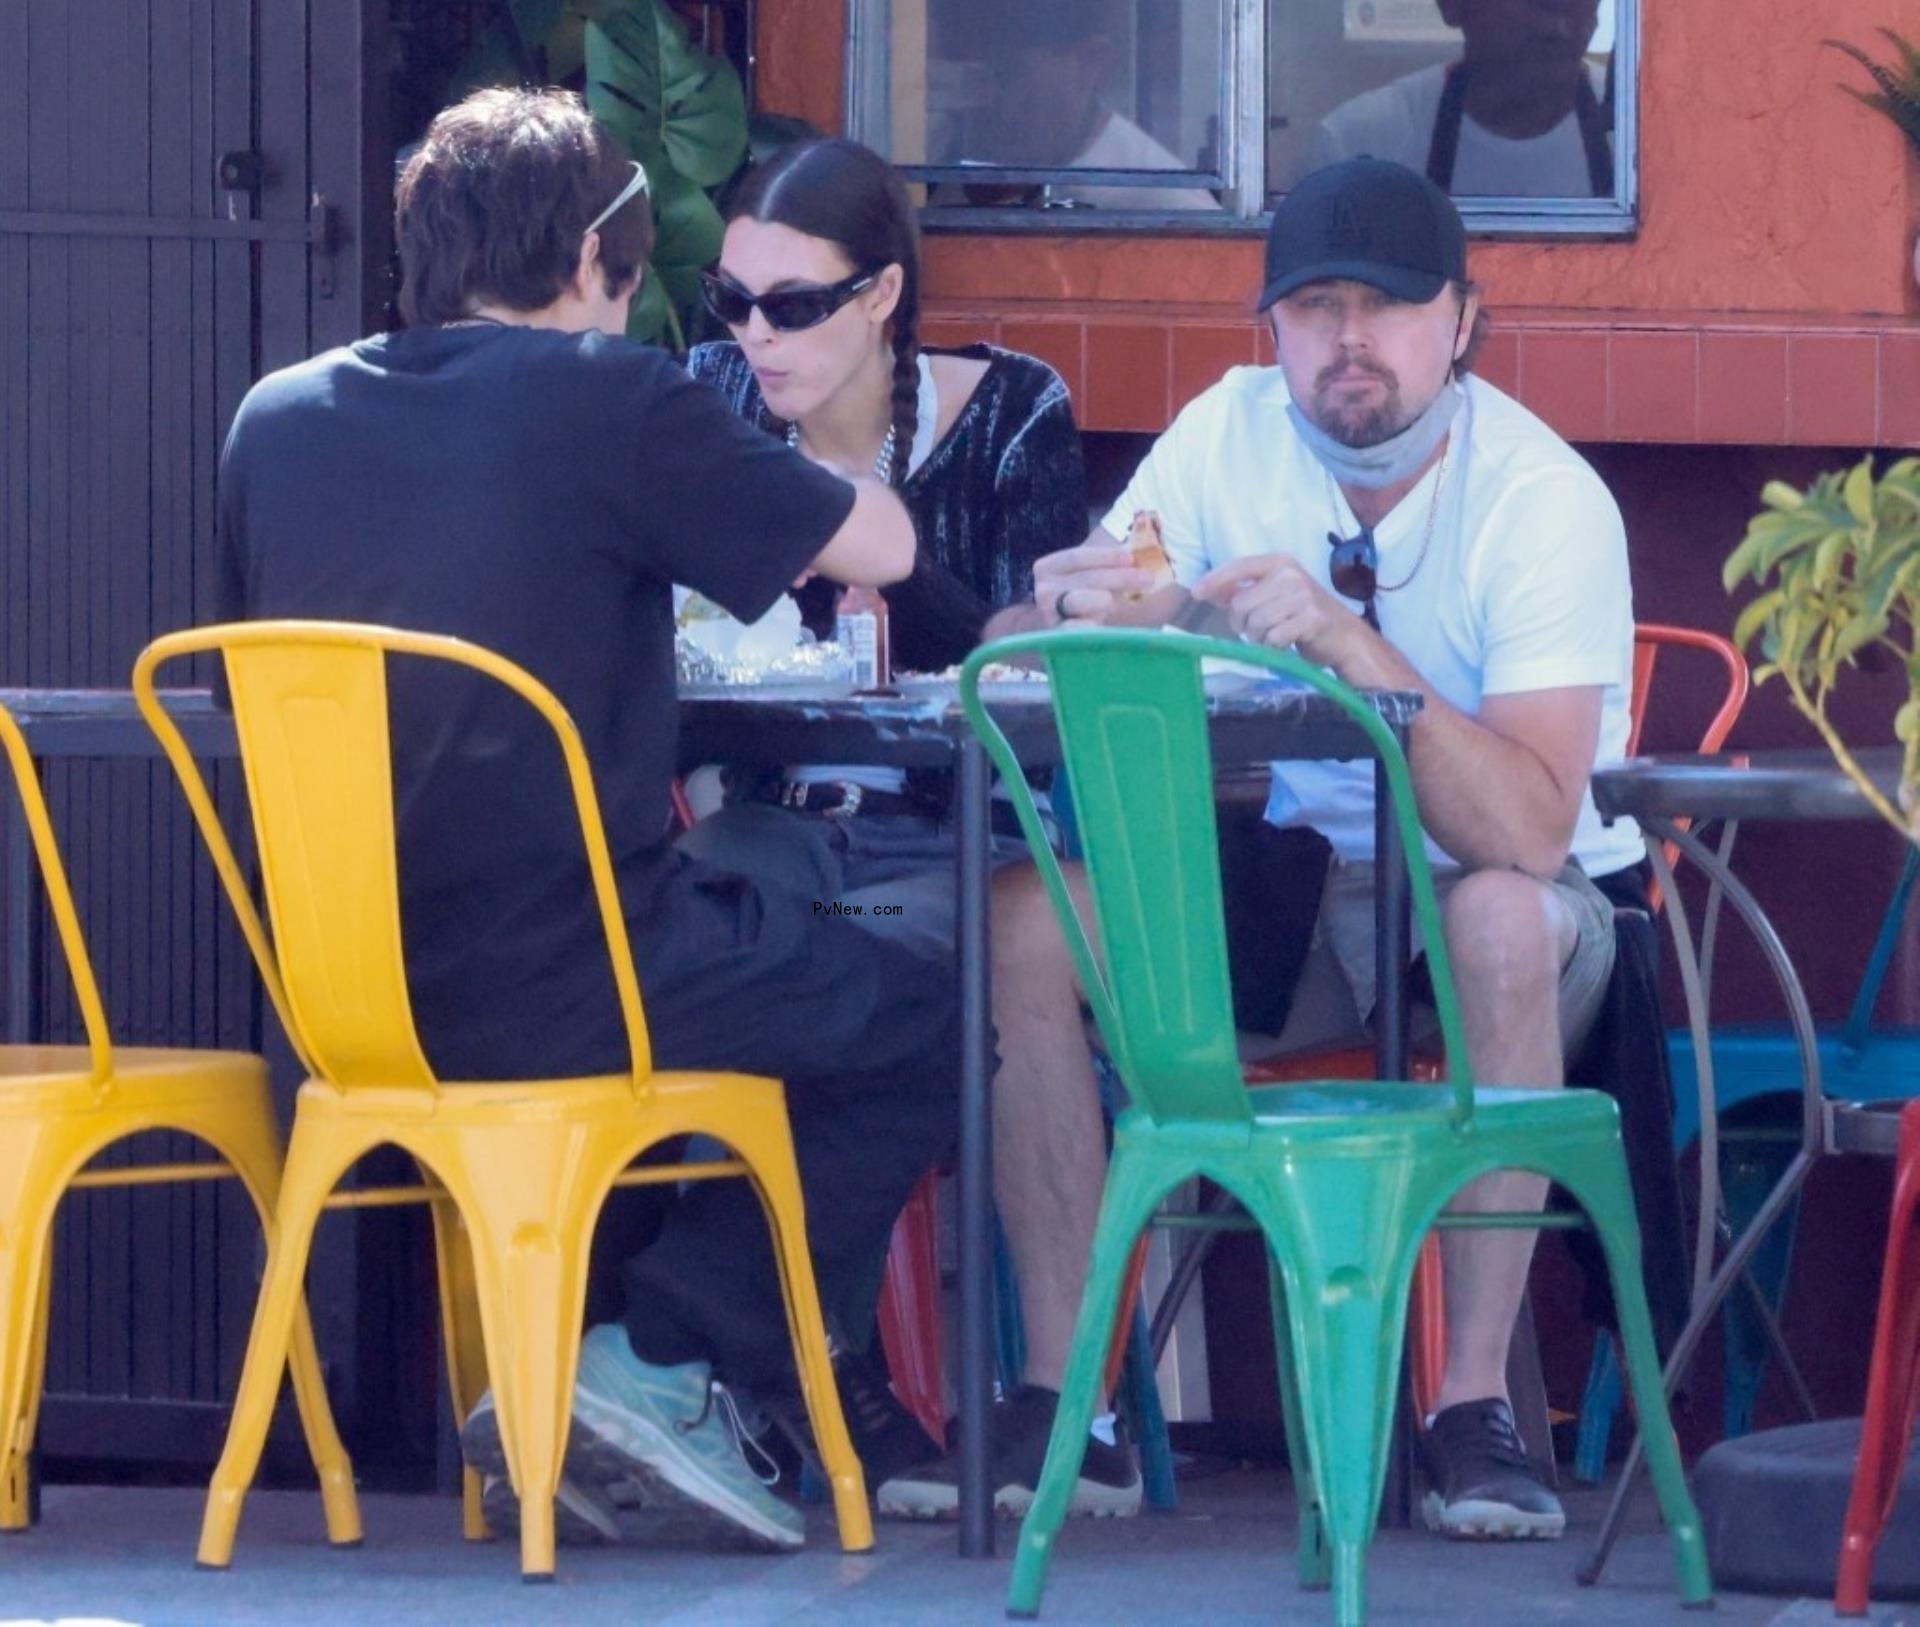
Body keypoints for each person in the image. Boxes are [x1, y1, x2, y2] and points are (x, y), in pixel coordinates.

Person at [213, 86, 965, 1553]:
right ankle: (669, 1355)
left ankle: (616, 1374)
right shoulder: (610, 395)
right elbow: (886, 543)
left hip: (336, 1008)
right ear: (593, 264)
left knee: (759, 956)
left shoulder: (275, 416)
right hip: (577, 978)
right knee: (934, 1017)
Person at [990, 155, 1641, 1541]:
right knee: (1027, 922)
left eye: (1391, 306)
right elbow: (1024, 658)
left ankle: (1472, 1408)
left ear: (1463, 321)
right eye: (1317, 305)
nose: (1352, 339)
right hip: (1279, 897)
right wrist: (1086, 607)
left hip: (1499, 902)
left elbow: (1530, 823)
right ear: (1266, 323)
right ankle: (1070, 1404)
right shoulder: (1225, 433)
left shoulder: (1544, 495)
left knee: (1499, 921)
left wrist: (1350, 645)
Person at [681, 137, 1141, 1518]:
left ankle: (1071, 1402)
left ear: (881, 296)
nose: (754, 337)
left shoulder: (1006, 416)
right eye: (732, 304)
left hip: (964, 840)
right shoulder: (705, 407)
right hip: (781, 835)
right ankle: (804, 1361)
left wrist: (899, 564)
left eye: (793, 305)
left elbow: (1036, 658)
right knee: (751, 931)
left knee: (1004, 947)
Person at [1308, 0, 1612, 198]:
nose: (1557, 25)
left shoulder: (1642, 140)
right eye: (1536, 3)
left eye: (1576, 2)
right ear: (1452, 6)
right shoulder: (1359, 147)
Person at [934, 0, 1217, 212]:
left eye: (1006, 73)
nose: (985, 102)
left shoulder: (1166, 203)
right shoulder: (936, 160)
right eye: (966, 73)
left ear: (1089, 63)